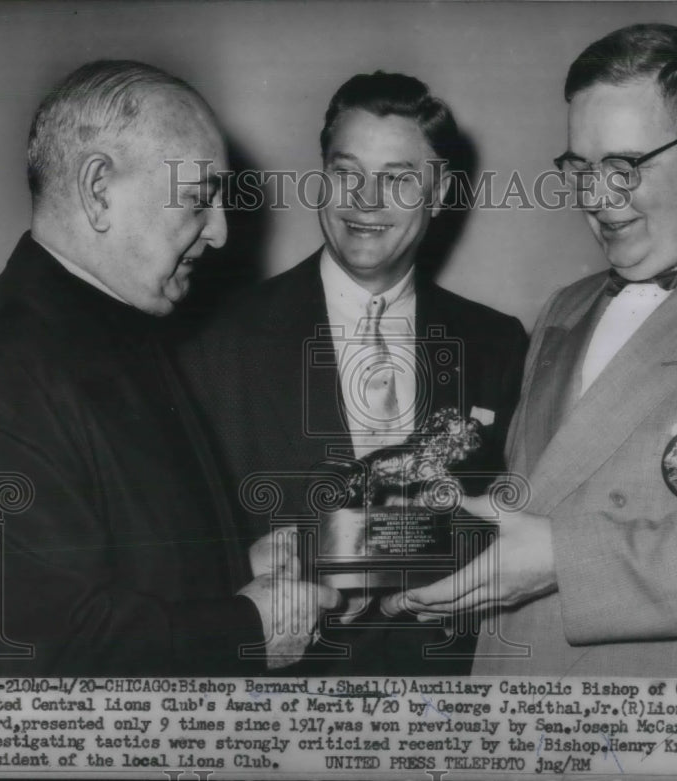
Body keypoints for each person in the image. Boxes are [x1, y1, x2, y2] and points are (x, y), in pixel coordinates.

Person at [384, 24, 677, 679]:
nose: (595, 199)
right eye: (579, 168)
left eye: (624, 167)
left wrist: (562, 560)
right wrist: (442, 536)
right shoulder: (564, 308)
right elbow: (547, 503)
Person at [0, 60, 338, 677]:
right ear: (98, 190)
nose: (219, 232)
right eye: (197, 200)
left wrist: (235, 567)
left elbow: (109, 564)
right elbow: (26, 650)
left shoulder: (123, 324)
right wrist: (246, 629)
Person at [177, 71, 528, 675]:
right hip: (279, 707)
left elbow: (508, 523)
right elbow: (165, 544)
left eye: (397, 180)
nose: (366, 201)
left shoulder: (497, 343)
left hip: (448, 703)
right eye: (347, 174)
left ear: (439, 193)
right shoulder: (211, 341)